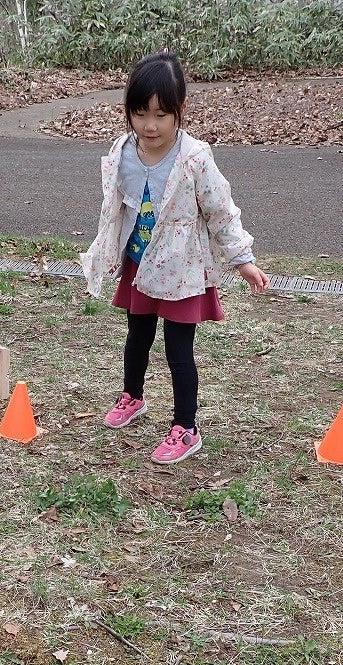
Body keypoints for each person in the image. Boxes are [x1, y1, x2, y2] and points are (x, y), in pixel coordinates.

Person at [80, 52, 269, 465]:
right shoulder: (122, 151)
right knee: (137, 336)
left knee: (178, 350)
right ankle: (132, 396)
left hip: (182, 269)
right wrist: (105, 251)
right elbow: (115, 208)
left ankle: (186, 427)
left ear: (180, 109)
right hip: (141, 264)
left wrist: (242, 258)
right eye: (140, 114)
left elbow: (220, 210)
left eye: (161, 115)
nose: (150, 126)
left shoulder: (195, 158)